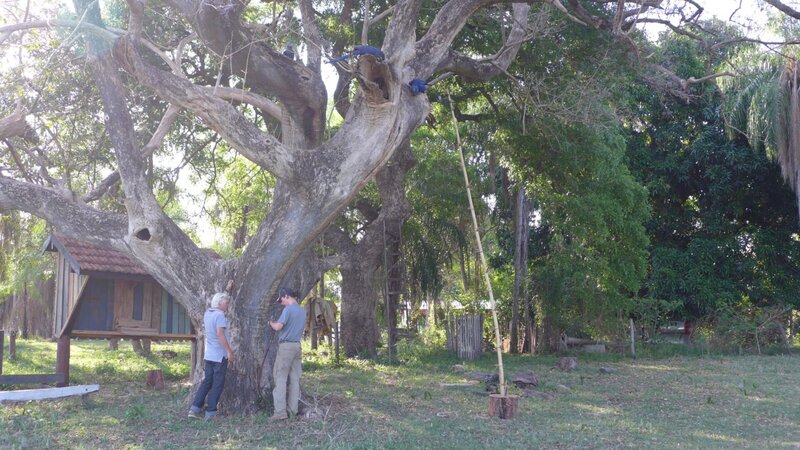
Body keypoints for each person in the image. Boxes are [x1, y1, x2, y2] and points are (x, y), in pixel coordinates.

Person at [188, 292, 234, 420]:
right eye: (226, 303)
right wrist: (229, 351)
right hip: (219, 355)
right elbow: (220, 334)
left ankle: (195, 408)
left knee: (207, 381)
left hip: (209, 355)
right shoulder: (220, 315)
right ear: (220, 303)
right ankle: (211, 412)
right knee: (217, 383)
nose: (227, 305)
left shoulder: (208, 313)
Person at [268, 287, 306, 421]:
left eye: (282, 300)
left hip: (286, 347)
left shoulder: (288, 310)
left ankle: (279, 412)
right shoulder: (302, 311)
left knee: (280, 377)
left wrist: (271, 322)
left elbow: (278, 327)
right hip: (297, 346)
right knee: (295, 379)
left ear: (286, 296)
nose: (281, 303)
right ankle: (292, 411)